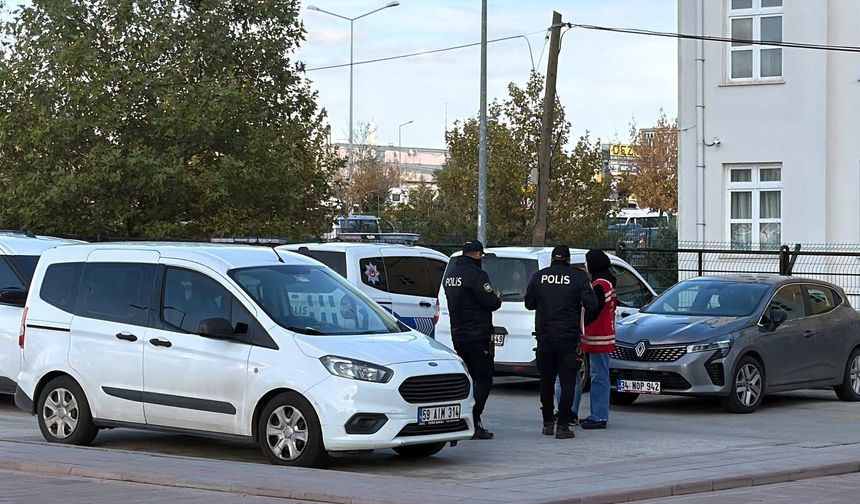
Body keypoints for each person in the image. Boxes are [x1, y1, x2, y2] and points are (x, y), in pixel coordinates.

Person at [525, 245, 597, 439]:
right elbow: (592, 304)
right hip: (567, 338)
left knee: (546, 382)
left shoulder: (539, 276)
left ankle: (548, 423)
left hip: (544, 337)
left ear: (552, 259)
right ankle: (563, 426)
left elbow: (529, 303)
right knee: (567, 383)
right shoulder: (578, 277)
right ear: (568, 260)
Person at [442, 239, 502, 440]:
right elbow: (491, 302)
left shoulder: (451, 275)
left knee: (467, 379)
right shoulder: (477, 275)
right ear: (477, 255)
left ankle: (460, 420)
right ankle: (473, 421)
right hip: (478, 334)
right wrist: (497, 298)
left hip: (458, 333)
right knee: (483, 379)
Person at [579, 249, 618, 430]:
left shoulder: (600, 285)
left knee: (598, 377)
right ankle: (598, 414)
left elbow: (594, 308)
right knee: (599, 376)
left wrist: (580, 324)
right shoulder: (607, 282)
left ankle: (599, 416)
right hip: (603, 335)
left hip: (598, 336)